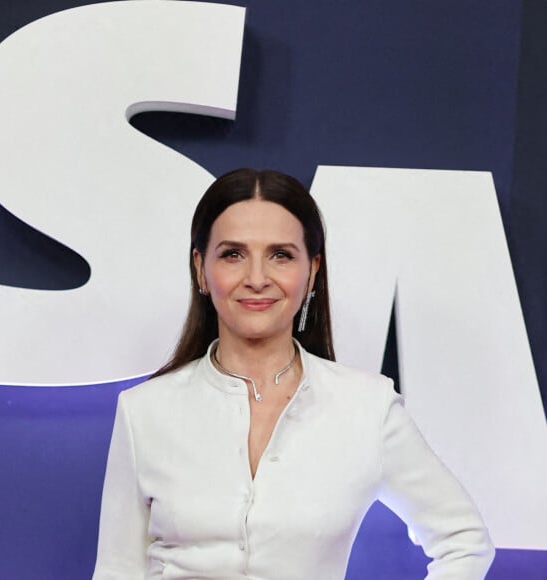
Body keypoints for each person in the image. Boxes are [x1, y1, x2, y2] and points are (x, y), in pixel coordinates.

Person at [93, 168, 494, 579]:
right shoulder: (145, 412)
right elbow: (116, 570)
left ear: (312, 270)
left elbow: (463, 541)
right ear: (201, 268)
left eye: (280, 255)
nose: (256, 278)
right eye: (233, 254)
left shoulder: (366, 408)